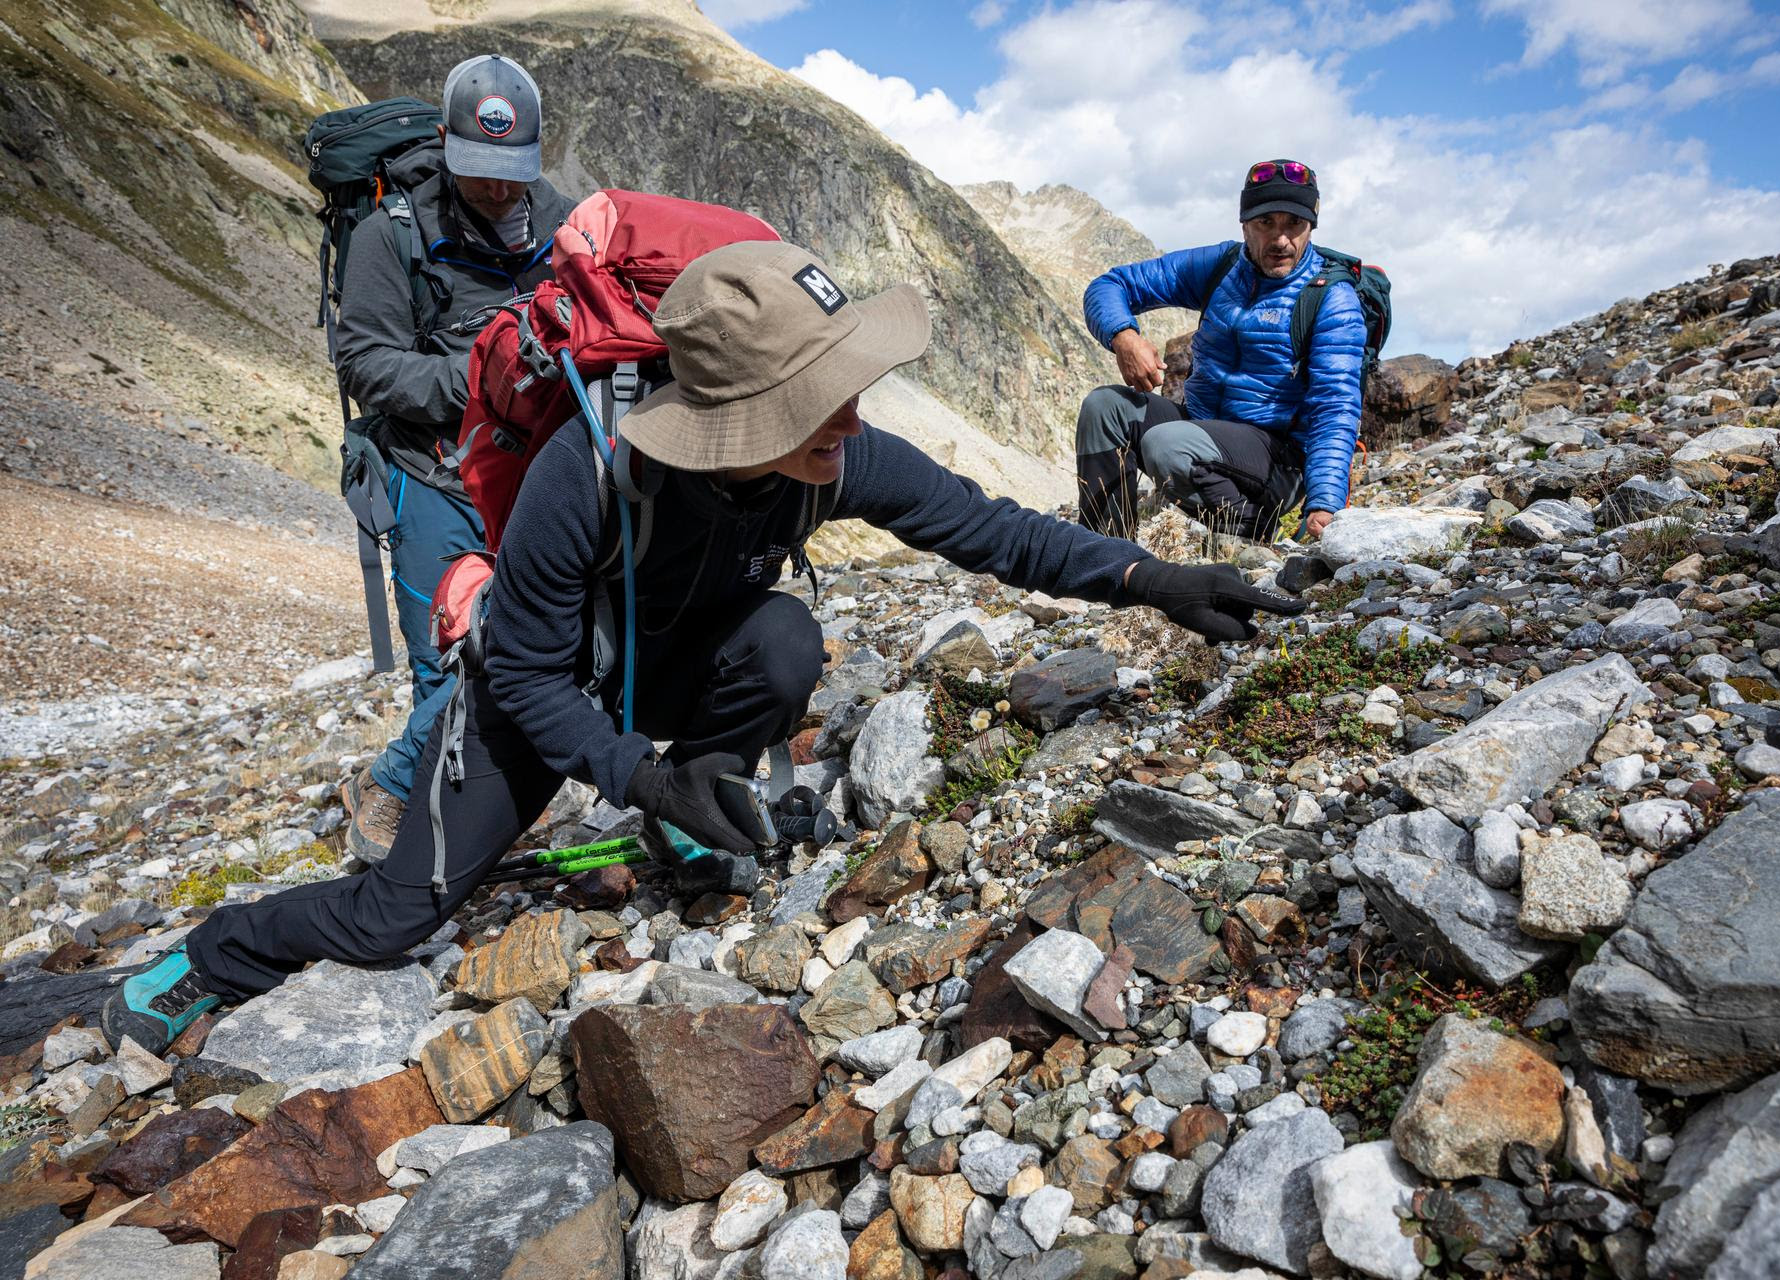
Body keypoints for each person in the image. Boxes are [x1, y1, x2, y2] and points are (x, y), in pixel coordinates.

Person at [102, 241, 1304, 1053]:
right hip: (543, 693)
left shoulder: (833, 452)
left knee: (785, 639)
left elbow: (989, 530)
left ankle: (696, 808)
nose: (852, 416)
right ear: (739, 417)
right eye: (821, 395)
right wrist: (637, 769)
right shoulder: (592, 470)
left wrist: (1148, 576)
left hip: (666, 661)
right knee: (393, 915)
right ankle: (206, 954)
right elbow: (520, 675)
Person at [336, 54, 576, 866]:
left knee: (539, 641)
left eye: (513, 175)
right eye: (480, 175)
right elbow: (366, 364)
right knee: (449, 663)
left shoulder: (559, 220)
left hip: (528, 472)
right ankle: (392, 794)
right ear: (445, 145)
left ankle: (474, 797)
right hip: (427, 473)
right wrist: (481, 378)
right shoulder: (386, 236)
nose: (500, 192)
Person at [1076, 158, 1366, 542]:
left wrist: (1325, 503)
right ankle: (1103, 553)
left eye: (1293, 224)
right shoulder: (1222, 266)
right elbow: (1110, 285)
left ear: (1310, 225)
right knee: (1103, 407)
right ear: (1245, 224)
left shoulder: (1332, 298)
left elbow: (1335, 406)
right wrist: (1124, 336)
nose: (1281, 240)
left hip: (1276, 459)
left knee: (1166, 444)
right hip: (1202, 430)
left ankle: (1246, 534)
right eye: (1266, 223)